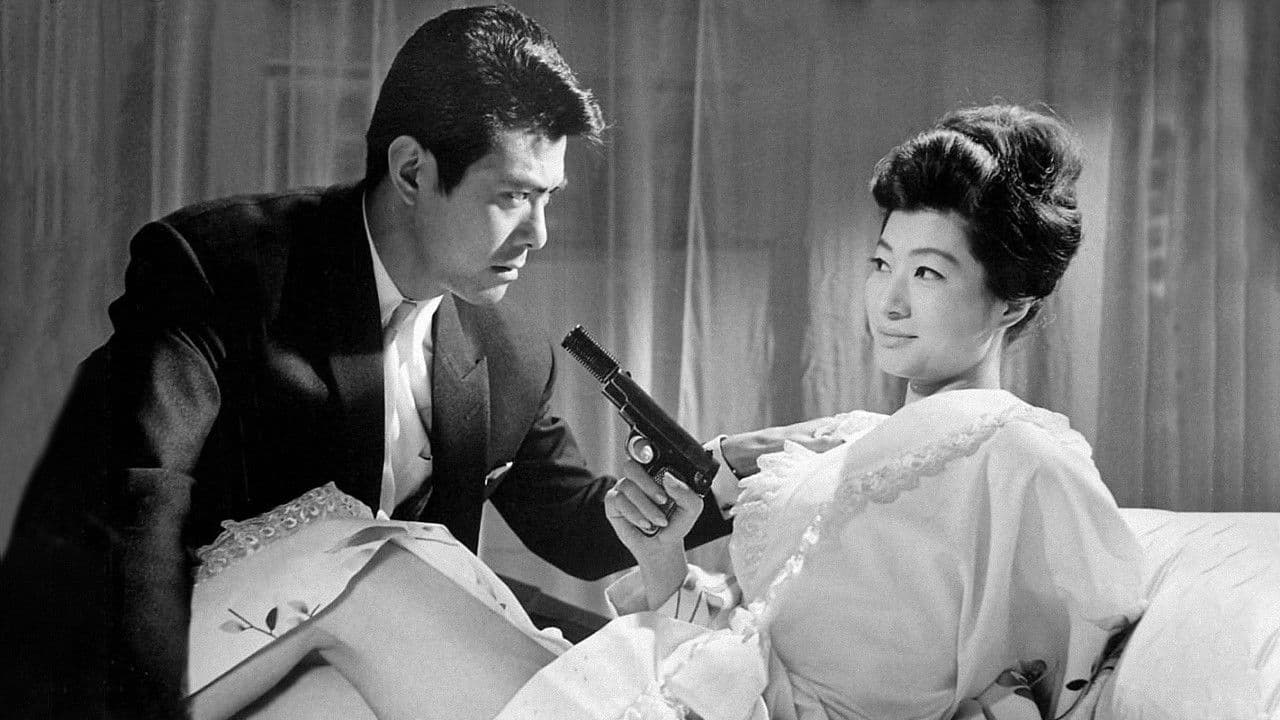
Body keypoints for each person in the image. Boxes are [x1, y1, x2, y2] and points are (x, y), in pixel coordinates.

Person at [170, 103, 1146, 720]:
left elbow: (1073, 654)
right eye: (880, 262)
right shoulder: (856, 441)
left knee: (364, 564)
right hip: (686, 685)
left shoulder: (1016, 451)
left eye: (928, 274)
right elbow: (760, 633)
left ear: (1011, 304)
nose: (888, 301)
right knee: (316, 693)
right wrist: (664, 561)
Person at [0, 6, 830, 718]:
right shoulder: (225, 268)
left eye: (548, 199)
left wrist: (728, 474)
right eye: (512, 196)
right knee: (380, 561)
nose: (538, 234)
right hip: (135, 657)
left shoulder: (507, 353)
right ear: (410, 170)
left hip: (325, 676)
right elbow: (134, 508)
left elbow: (577, 530)